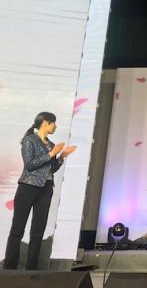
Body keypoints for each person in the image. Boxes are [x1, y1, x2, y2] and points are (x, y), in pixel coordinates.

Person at [3, 112, 76, 270]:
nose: (55, 126)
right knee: (18, 228)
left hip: (46, 189)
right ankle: (9, 267)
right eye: (53, 123)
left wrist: (61, 157)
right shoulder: (30, 140)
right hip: (28, 187)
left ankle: (32, 268)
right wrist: (52, 153)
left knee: (38, 230)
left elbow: (51, 169)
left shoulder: (51, 144)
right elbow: (30, 164)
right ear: (45, 123)